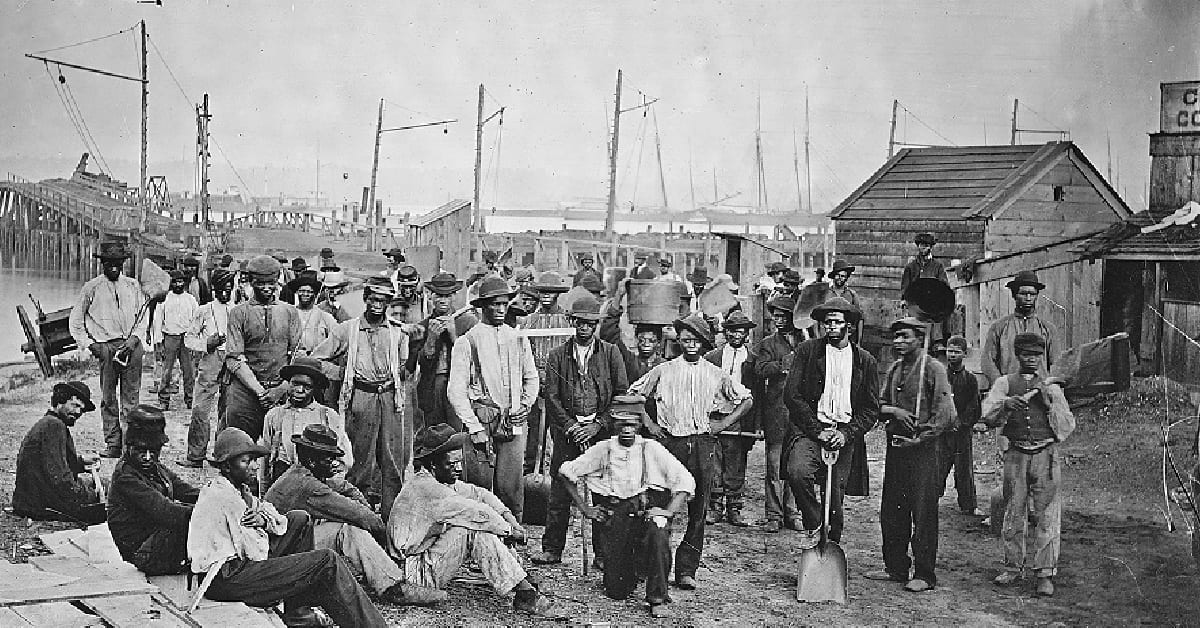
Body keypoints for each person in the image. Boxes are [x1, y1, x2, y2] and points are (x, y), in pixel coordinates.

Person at [188, 427, 387, 627]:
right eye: (246, 461)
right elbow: (256, 552)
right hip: (226, 578)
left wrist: (265, 520)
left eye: (254, 460)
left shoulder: (238, 489)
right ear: (227, 467)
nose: (255, 466)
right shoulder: (225, 498)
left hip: (237, 567)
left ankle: (298, 614)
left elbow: (277, 517)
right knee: (327, 561)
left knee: (299, 519)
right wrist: (291, 564)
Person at [628, 313, 753, 590]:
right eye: (685, 339)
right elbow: (635, 395)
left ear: (704, 343)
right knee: (659, 505)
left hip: (702, 444)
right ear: (678, 342)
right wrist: (650, 425)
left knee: (698, 511)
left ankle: (687, 570)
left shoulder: (715, 373)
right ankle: (651, 566)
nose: (691, 344)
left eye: (696, 340)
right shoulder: (665, 369)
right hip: (670, 443)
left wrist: (722, 423)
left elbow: (746, 399)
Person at [388, 424, 564, 618]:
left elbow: (480, 495)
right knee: (473, 529)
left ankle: (518, 577)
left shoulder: (438, 479)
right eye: (450, 464)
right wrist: (508, 531)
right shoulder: (426, 488)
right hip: (412, 575)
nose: (458, 468)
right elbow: (474, 511)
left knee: (481, 522)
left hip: (423, 559)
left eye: (459, 462)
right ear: (433, 465)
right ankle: (525, 592)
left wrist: (510, 519)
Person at [265, 424, 446, 605]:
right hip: (279, 557)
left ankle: (381, 574)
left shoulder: (299, 473)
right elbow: (360, 517)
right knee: (348, 531)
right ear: (312, 461)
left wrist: (364, 507)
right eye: (329, 459)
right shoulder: (308, 486)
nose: (335, 463)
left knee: (344, 526)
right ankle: (394, 587)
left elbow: (346, 488)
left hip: (285, 545)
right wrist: (387, 543)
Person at [559, 399, 696, 618]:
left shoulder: (651, 448)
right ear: (614, 425)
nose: (627, 430)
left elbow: (685, 481)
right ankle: (634, 570)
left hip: (646, 510)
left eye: (632, 424)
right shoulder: (604, 449)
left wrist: (668, 512)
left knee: (658, 530)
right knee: (616, 591)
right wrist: (586, 509)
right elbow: (566, 473)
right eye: (622, 424)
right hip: (619, 516)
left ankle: (657, 597)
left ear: (640, 425)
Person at [531, 295, 628, 565]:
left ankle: (604, 552)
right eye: (580, 323)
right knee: (561, 489)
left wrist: (599, 425)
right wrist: (572, 426)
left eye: (590, 324)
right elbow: (551, 397)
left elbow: (621, 395)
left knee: (603, 491)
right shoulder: (557, 356)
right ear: (572, 322)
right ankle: (552, 548)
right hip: (568, 432)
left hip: (600, 433)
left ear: (596, 325)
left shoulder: (610, 353)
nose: (585, 328)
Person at [979, 333, 1075, 597]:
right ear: (1017, 356)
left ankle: (1045, 573)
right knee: (1013, 512)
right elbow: (987, 415)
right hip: (1016, 455)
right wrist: (1006, 406)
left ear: (1041, 356)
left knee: (1047, 516)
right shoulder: (1004, 384)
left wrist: (1048, 404)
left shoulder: (1052, 387)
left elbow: (1066, 428)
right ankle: (1012, 567)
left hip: (1046, 455)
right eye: (1025, 355)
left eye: (1035, 355)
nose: (1030, 359)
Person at [865, 317, 956, 592]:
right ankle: (895, 567)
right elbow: (878, 404)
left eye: (905, 337)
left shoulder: (934, 369)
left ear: (919, 338)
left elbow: (946, 415)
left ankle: (925, 574)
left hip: (924, 451)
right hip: (896, 448)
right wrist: (894, 411)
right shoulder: (894, 369)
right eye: (896, 338)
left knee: (923, 511)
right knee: (893, 510)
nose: (899, 342)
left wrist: (920, 436)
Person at [309, 277, 411, 517]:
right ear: (365, 299)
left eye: (383, 301)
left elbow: (404, 366)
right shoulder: (347, 329)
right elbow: (317, 359)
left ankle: (390, 517)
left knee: (392, 460)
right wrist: (343, 373)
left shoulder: (397, 331)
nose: (378, 305)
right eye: (374, 299)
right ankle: (358, 514)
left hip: (389, 397)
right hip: (361, 397)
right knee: (358, 459)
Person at [782, 297, 879, 549]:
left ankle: (830, 551)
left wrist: (847, 434)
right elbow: (792, 395)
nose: (831, 327)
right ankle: (814, 524)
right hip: (811, 431)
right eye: (827, 323)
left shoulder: (864, 361)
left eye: (837, 322)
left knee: (834, 497)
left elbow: (870, 409)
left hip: (843, 436)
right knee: (798, 472)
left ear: (849, 326)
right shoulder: (808, 352)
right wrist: (817, 430)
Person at [447, 276, 539, 521]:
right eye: (494, 304)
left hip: (513, 420)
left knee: (511, 487)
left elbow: (532, 378)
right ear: (482, 306)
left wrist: (525, 405)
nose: (500, 309)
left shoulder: (518, 338)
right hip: (481, 419)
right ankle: (478, 542)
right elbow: (456, 391)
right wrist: (474, 427)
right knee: (478, 488)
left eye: (504, 304)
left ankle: (511, 538)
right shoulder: (467, 342)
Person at [69, 241, 148, 457]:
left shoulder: (133, 286)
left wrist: (135, 339)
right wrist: (91, 345)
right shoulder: (91, 287)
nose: (113, 267)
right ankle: (113, 444)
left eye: (117, 263)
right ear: (102, 264)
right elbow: (75, 321)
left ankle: (130, 446)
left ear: (123, 264)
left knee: (131, 399)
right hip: (107, 348)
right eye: (109, 263)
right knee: (109, 398)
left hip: (131, 346)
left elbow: (144, 316)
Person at [108, 405, 200, 575]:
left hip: (154, 540)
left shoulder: (154, 468)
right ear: (128, 446)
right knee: (186, 521)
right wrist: (207, 513)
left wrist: (215, 497)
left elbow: (185, 490)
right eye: (141, 451)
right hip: (142, 552)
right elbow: (167, 512)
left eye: (154, 451)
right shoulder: (126, 477)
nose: (148, 457)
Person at [223, 254, 302, 442]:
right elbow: (234, 357)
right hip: (245, 389)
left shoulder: (290, 312)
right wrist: (259, 391)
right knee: (239, 443)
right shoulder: (238, 313)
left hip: (280, 389)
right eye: (260, 283)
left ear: (278, 282)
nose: (267, 288)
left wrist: (281, 389)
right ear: (251, 282)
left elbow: (298, 353)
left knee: (281, 447)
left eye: (271, 283)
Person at [13, 381, 106, 524]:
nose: (78, 412)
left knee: (100, 486)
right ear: (60, 401)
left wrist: (81, 462)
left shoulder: (49, 422)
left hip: (31, 500)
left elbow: (49, 464)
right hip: (38, 505)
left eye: (81, 409)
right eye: (75, 405)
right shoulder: (54, 426)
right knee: (109, 493)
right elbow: (61, 480)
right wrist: (90, 495)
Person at [703, 310, 759, 527]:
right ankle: (715, 506)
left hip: (740, 416)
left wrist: (756, 424)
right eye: (732, 331)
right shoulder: (712, 358)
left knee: (736, 462)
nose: (737, 335)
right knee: (715, 461)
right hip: (715, 414)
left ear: (747, 334)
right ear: (725, 332)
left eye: (741, 332)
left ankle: (734, 507)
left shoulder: (753, 361)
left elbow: (758, 396)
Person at [260, 358, 353, 488]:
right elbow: (265, 460)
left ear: (314, 388)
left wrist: (330, 484)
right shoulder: (275, 416)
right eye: (295, 384)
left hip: (317, 486)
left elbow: (345, 459)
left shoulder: (327, 415)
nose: (300, 390)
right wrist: (265, 493)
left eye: (307, 386)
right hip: (283, 485)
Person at [754, 295, 802, 532]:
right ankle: (774, 515)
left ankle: (792, 513)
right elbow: (760, 369)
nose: (778, 320)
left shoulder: (804, 340)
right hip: (776, 413)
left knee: (795, 467)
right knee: (774, 467)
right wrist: (783, 364)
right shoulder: (768, 344)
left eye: (783, 316)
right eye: (776, 316)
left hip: (799, 416)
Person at [183, 269, 235, 467]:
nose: (224, 294)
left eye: (228, 290)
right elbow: (189, 339)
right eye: (221, 290)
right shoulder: (204, 310)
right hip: (211, 359)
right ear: (214, 289)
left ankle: (223, 455)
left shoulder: (238, 310)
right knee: (201, 408)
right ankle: (196, 455)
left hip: (232, 360)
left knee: (228, 409)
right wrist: (207, 344)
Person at [981, 270, 1057, 387]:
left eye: (1032, 294)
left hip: (1039, 391)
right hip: (1009, 392)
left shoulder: (1048, 329)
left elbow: (1056, 364)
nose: (1028, 298)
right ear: (1014, 295)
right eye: (1023, 293)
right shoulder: (999, 327)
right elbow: (987, 361)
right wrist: (1001, 385)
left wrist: (1046, 387)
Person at [415, 272, 464, 430]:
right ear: (430, 296)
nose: (443, 300)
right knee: (434, 436)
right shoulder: (422, 326)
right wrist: (431, 338)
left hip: (458, 387)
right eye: (439, 295)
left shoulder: (466, 321)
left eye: (448, 295)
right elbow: (419, 363)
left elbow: (474, 361)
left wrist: (453, 336)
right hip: (431, 388)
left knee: (458, 435)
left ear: (454, 296)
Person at [943, 335, 983, 516]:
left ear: (964, 354)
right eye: (950, 351)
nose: (952, 355)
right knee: (938, 466)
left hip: (962, 432)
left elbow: (974, 405)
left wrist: (961, 422)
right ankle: (930, 500)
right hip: (942, 431)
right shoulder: (940, 376)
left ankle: (968, 505)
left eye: (956, 352)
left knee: (963, 468)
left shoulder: (970, 379)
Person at [152, 270, 200, 410]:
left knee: (189, 371)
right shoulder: (164, 299)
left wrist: (195, 338)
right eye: (175, 281)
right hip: (170, 337)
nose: (178, 284)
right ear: (171, 283)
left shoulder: (190, 299)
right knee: (167, 370)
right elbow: (158, 320)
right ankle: (164, 399)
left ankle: (190, 399)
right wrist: (159, 340)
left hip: (186, 337)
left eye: (181, 281)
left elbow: (196, 319)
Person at [290, 273, 337, 357]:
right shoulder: (289, 314)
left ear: (314, 294)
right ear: (297, 292)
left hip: (317, 362)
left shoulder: (325, 317)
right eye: (302, 291)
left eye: (309, 292)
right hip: (294, 361)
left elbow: (337, 339)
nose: (305, 294)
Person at [900, 232, 950, 297]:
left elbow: (944, 287)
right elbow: (905, 289)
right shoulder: (910, 267)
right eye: (921, 245)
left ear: (930, 247)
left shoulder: (938, 266)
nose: (923, 248)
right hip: (914, 302)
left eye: (926, 245)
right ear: (918, 246)